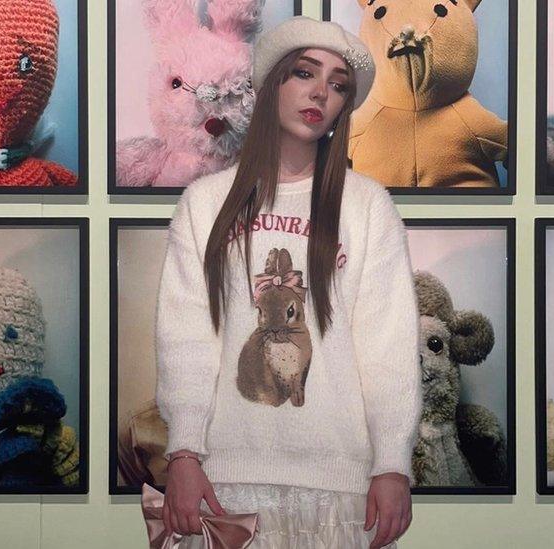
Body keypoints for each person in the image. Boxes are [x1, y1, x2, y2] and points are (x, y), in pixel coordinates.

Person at [154, 16, 421, 549]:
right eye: (304, 72)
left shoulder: (366, 205)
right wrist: (183, 452)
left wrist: (393, 462)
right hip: (225, 482)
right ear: (272, 82)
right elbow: (185, 337)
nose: (321, 91)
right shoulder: (205, 204)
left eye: (338, 84)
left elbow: (387, 342)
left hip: (341, 486)